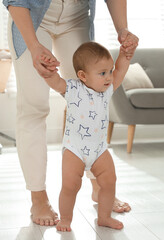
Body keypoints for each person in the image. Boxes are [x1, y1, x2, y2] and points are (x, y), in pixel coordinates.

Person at [2, 0, 139, 226]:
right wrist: (34, 47)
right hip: (32, 13)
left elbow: (115, 74)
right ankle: (38, 197)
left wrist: (123, 30)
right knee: (33, 106)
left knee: (92, 90)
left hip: (77, 13)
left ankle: (99, 187)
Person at [41, 41, 131, 231]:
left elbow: (121, 71)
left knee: (109, 181)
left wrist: (125, 54)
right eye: (102, 73)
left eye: (109, 71)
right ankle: (65, 218)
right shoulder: (73, 89)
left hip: (99, 149)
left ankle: (104, 217)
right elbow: (55, 82)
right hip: (75, 149)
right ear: (82, 76)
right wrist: (49, 72)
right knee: (70, 186)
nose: (109, 77)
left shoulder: (106, 90)